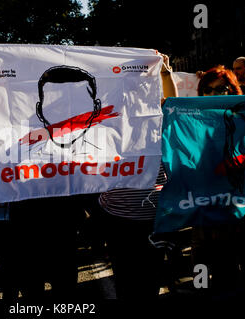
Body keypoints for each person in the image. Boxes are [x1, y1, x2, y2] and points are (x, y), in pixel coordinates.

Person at [97, 53, 175, 303]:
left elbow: (172, 105)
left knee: (150, 279)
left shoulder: (157, 119)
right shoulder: (104, 121)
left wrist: (164, 73)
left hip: (154, 215)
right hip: (116, 216)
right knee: (126, 279)